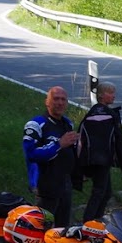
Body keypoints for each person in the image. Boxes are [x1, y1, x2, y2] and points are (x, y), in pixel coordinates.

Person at [24, 86, 79, 227]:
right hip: (45, 184)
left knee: (62, 229)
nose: (60, 103)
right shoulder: (36, 124)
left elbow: (68, 151)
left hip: (65, 183)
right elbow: (32, 154)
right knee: (41, 228)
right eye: (56, 99)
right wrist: (59, 144)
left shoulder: (67, 123)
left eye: (63, 99)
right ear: (47, 102)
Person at [76, 81, 122, 222]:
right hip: (102, 159)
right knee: (99, 191)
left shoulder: (91, 114)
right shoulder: (109, 115)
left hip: (93, 159)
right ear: (101, 95)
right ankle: (88, 222)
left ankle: (97, 220)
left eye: (113, 92)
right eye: (110, 93)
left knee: (106, 192)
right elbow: (118, 140)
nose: (113, 96)